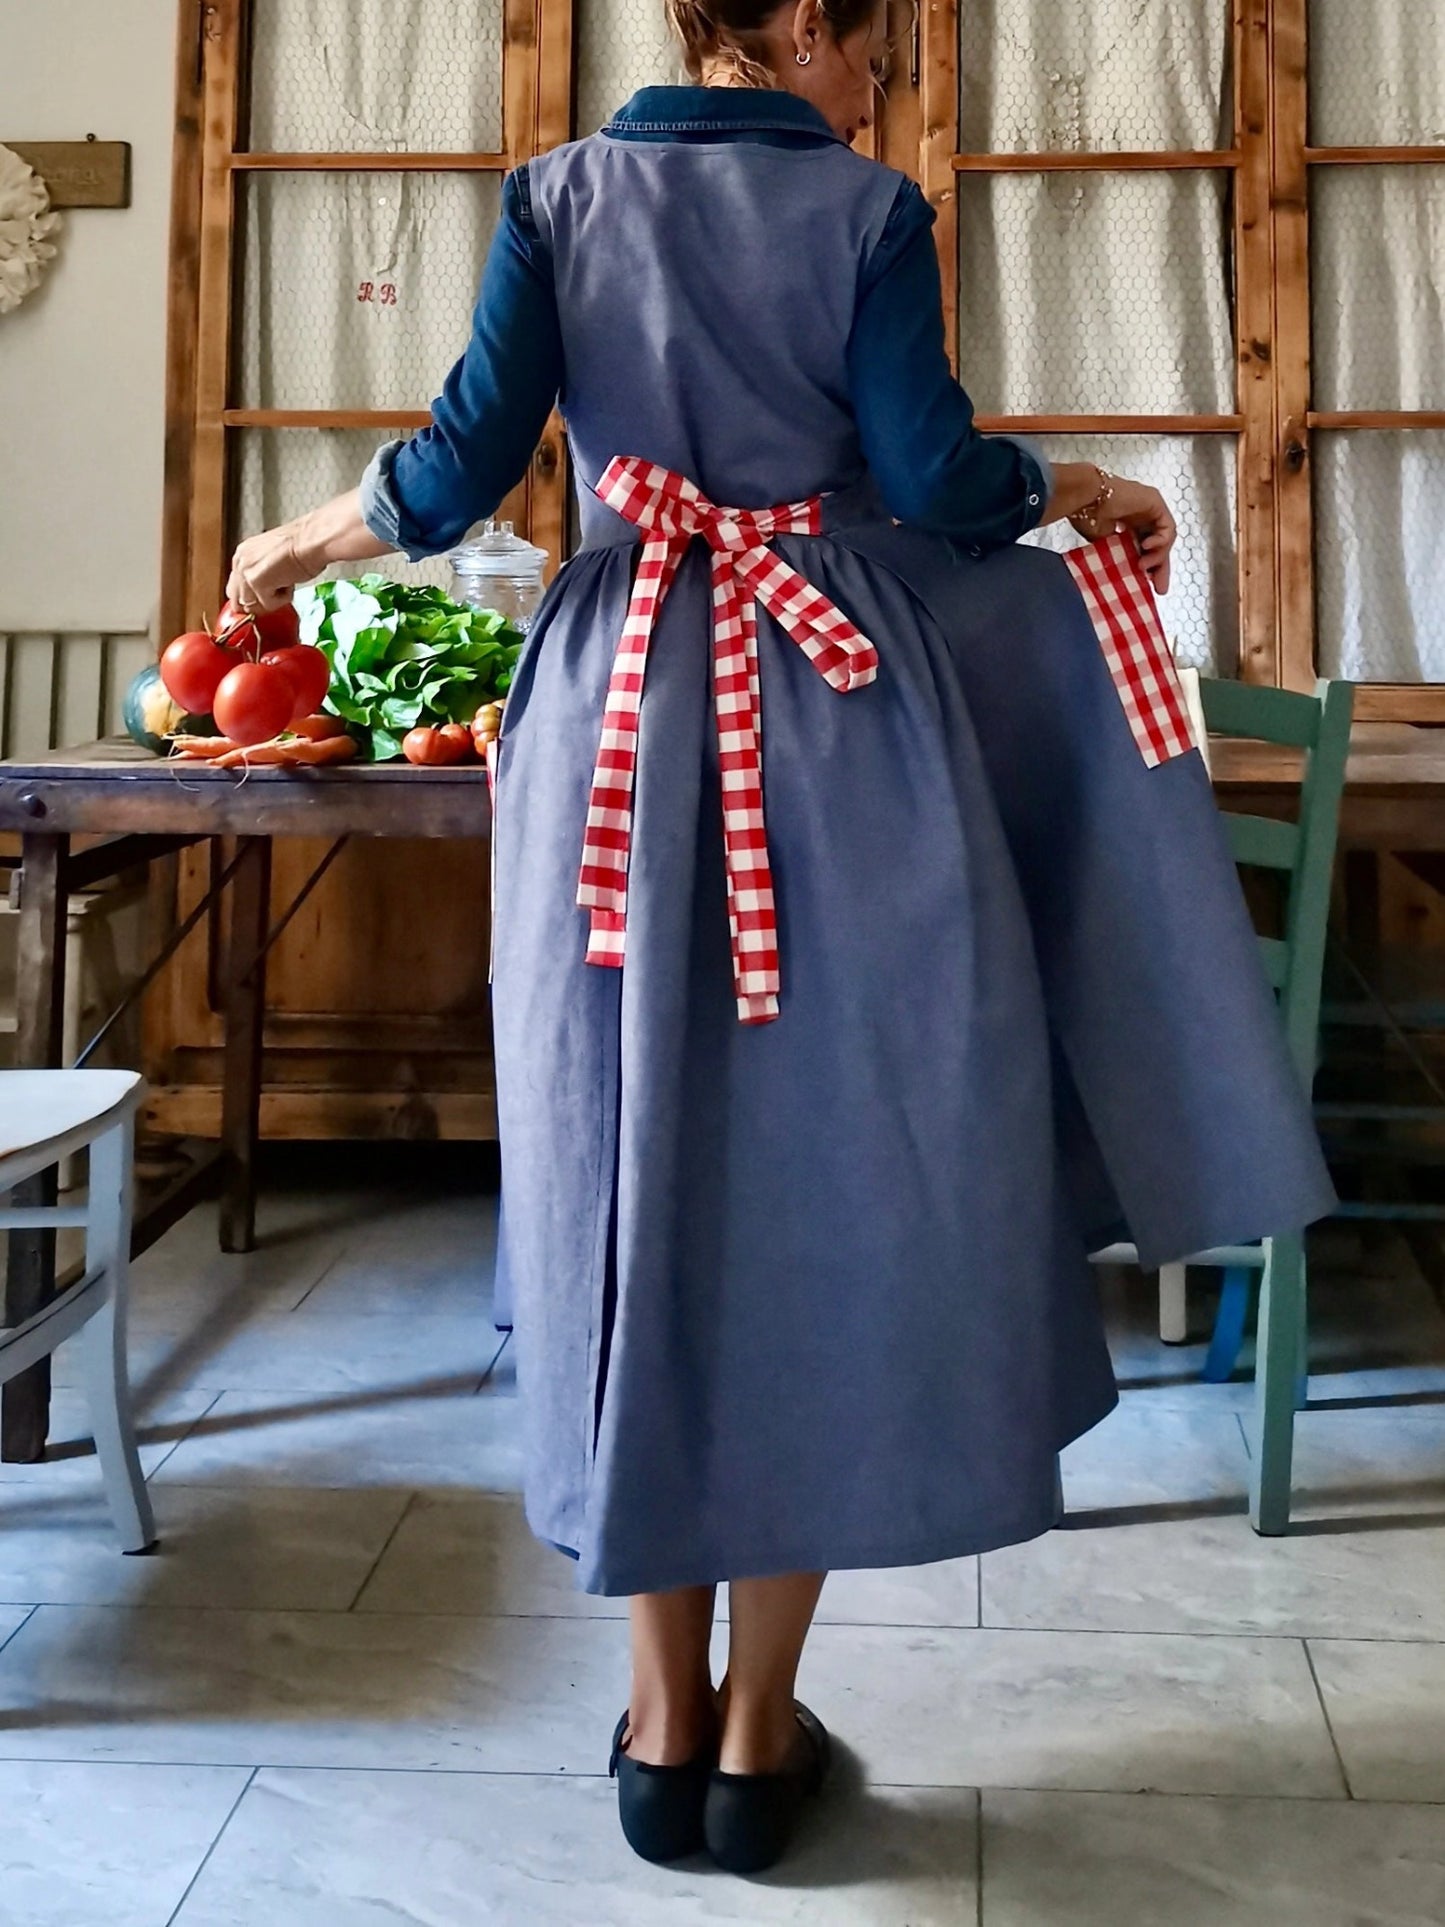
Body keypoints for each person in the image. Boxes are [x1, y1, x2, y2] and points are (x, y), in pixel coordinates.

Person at [227, 0, 1334, 1875]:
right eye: (873, 46)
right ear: (801, 26)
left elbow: (460, 455)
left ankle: (654, 1728)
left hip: (607, 714)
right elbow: (933, 478)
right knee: (824, 1183)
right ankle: (754, 1740)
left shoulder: (559, 192)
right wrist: (1071, 482)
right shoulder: (866, 213)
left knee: (621, 1178)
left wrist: (311, 533)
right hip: (830, 724)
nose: (879, 79)